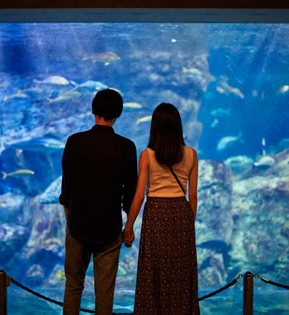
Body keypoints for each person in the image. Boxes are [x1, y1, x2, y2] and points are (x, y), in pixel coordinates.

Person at [59, 89, 137, 315]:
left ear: (93, 110)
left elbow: (67, 188)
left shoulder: (74, 142)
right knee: (105, 291)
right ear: (118, 113)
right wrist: (128, 227)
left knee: (73, 287)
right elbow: (130, 193)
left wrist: (70, 221)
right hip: (109, 228)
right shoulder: (126, 147)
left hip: (77, 226)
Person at [123, 103, 199, 314]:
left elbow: (139, 195)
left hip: (156, 212)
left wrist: (128, 227)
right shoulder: (192, 154)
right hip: (181, 214)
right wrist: (188, 225)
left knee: (154, 270)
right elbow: (192, 196)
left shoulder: (147, 155)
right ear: (178, 126)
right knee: (180, 271)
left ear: (154, 126)